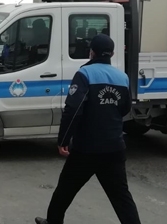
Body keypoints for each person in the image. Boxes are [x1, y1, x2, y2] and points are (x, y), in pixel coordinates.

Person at [35, 34, 141, 224]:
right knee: (121, 197)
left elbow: (73, 110)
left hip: (87, 149)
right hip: (114, 148)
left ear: (91, 52)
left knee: (65, 189)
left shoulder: (84, 75)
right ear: (113, 53)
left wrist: (63, 140)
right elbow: (125, 108)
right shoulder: (122, 77)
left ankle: (53, 222)